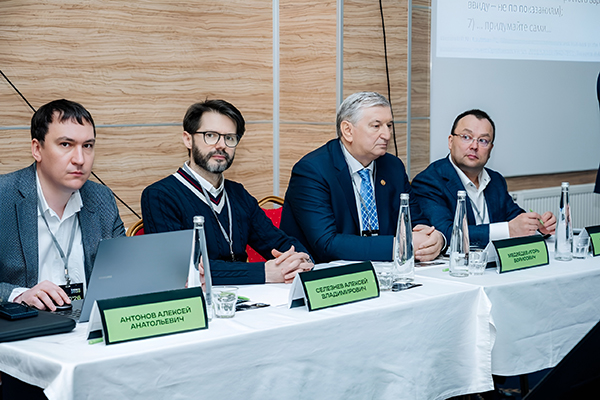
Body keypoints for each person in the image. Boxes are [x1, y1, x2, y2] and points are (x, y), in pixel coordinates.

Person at [141, 99, 313, 285]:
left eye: (229, 138)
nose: (221, 145)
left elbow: (279, 243)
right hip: (199, 300)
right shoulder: (160, 196)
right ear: (188, 139)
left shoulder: (238, 193)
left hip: (247, 295)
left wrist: (299, 260)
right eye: (210, 135)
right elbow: (180, 270)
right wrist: (264, 272)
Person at [280, 91, 445, 264]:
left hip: (386, 270)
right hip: (325, 272)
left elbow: (416, 222)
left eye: (389, 125)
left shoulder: (393, 166)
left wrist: (436, 240)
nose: (387, 135)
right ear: (348, 131)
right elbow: (327, 243)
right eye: (376, 126)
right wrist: (398, 246)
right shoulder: (312, 170)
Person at [0, 99, 125, 311]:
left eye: (87, 146)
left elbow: (124, 268)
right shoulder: (4, 196)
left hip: (87, 324)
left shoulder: (101, 198)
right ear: (37, 149)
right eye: (66, 144)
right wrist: (18, 295)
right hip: (26, 326)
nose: (80, 159)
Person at [411, 109, 556, 248]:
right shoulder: (429, 181)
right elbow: (445, 233)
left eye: (483, 140)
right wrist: (509, 230)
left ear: (490, 149)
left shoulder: (495, 180)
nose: (474, 146)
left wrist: (539, 226)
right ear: (450, 141)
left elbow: (515, 218)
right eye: (466, 137)